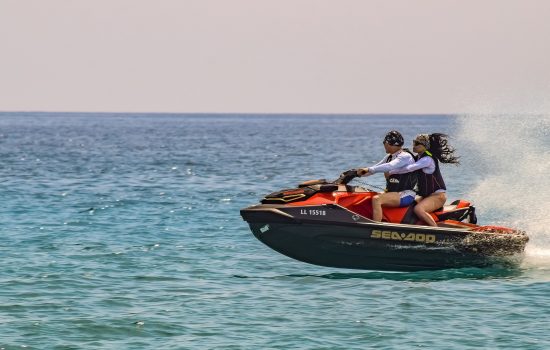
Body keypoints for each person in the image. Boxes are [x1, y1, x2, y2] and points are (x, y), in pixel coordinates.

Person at [389, 133, 459, 226]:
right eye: (414, 142)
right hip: (426, 196)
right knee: (409, 204)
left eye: (417, 143)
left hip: (437, 197)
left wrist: (391, 171)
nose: (414, 145)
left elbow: (410, 168)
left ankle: (435, 231)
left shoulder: (427, 159)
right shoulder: (418, 157)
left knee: (418, 209)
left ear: (424, 146)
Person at [356, 130, 417, 222]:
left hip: (405, 194)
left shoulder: (405, 156)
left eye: (384, 142)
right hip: (394, 193)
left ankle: (376, 227)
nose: (384, 145)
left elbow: (390, 166)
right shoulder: (389, 157)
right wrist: (355, 173)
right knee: (367, 196)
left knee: (376, 199)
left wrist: (369, 169)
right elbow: (374, 169)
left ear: (389, 143)